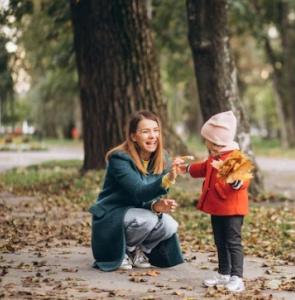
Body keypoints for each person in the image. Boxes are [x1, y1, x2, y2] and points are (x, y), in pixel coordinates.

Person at [89, 110, 182, 271]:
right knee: (148, 219)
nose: (153, 136)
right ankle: (124, 251)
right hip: (113, 214)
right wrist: (168, 179)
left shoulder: (162, 158)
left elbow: (150, 198)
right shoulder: (119, 158)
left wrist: (157, 207)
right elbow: (139, 191)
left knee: (169, 224)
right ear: (133, 136)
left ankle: (140, 251)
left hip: (138, 214)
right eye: (146, 132)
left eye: (156, 130)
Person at [179, 111, 251, 292]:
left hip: (232, 209)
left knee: (233, 242)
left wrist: (238, 182)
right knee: (220, 241)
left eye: (207, 139)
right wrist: (186, 168)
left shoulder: (234, 157)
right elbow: (203, 168)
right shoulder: (215, 157)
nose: (205, 141)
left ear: (217, 142)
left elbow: (244, 177)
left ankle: (237, 277)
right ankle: (224, 273)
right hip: (217, 208)